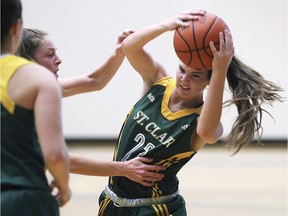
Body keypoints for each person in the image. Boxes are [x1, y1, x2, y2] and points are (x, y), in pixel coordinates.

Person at [97, 10, 283, 215]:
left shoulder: (200, 120)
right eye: (182, 70)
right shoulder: (157, 81)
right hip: (112, 202)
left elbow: (207, 132)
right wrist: (167, 25)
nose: (185, 79)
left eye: (196, 76)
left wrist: (220, 69)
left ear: (209, 81)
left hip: (157, 208)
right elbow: (129, 46)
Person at [16, 28, 165, 186]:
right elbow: (59, 158)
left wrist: (119, 53)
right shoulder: (16, 105)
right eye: (50, 54)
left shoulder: (31, 87)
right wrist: (124, 169)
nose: (59, 60)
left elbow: (94, 81)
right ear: (28, 63)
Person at [1, 0, 71, 216]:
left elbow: (94, 80)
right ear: (16, 27)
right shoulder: (37, 78)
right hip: (22, 198)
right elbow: (54, 155)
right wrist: (64, 186)